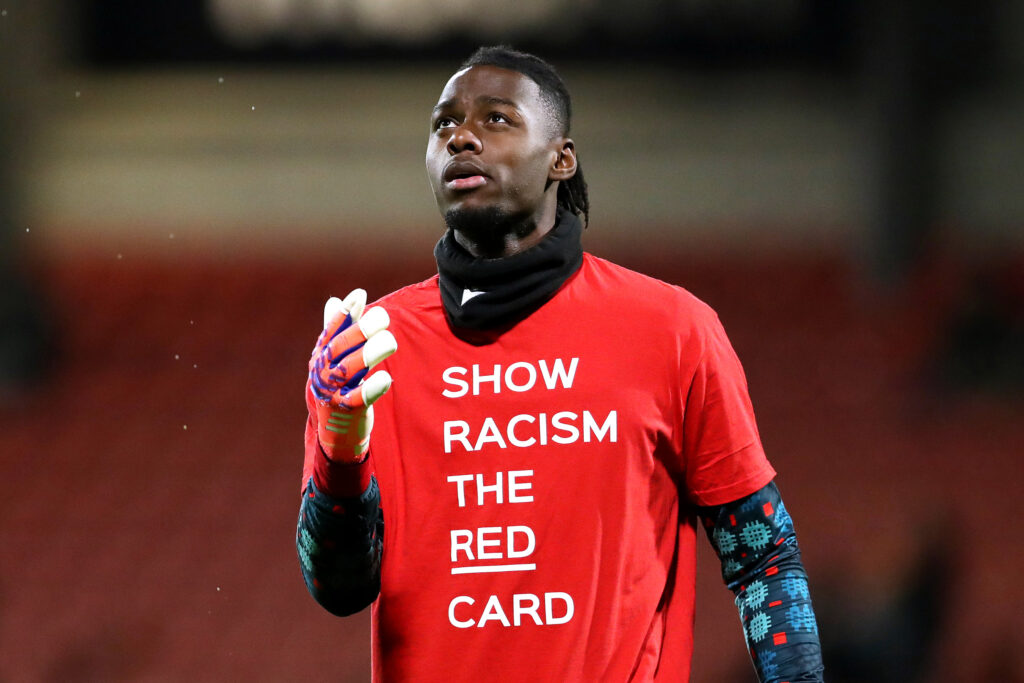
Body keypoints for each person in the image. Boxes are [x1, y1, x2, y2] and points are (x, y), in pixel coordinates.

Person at [296, 46, 825, 682]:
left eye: (496, 120)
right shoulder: (370, 350)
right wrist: (340, 446)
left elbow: (762, 557)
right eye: (443, 125)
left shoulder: (672, 329)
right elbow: (339, 588)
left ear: (561, 158)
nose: (461, 137)